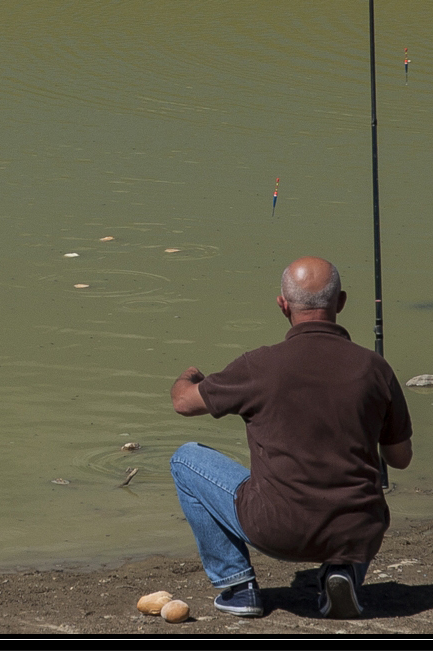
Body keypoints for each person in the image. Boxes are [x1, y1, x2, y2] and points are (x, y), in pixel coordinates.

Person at [168, 256, 412, 620]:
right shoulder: (375, 368)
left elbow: (183, 404)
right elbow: (400, 458)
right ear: (341, 302)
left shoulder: (260, 366)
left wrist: (187, 377)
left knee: (185, 459)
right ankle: (343, 571)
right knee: (360, 507)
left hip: (277, 529)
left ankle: (238, 586)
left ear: (283, 304)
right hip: (358, 530)